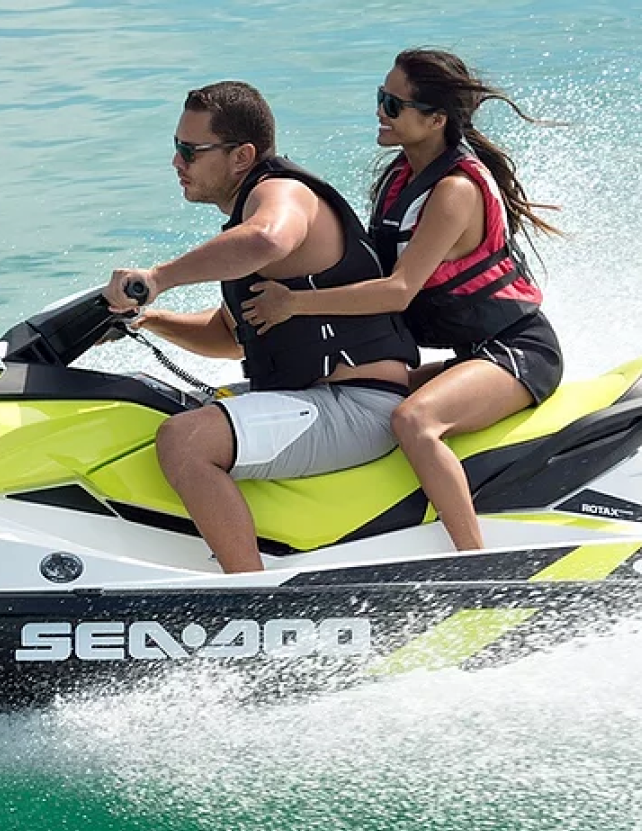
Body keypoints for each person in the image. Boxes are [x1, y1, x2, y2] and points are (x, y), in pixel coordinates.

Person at [241, 49, 564, 552]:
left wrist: (295, 304)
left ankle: (473, 560)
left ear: (435, 119)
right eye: (380, 97)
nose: (380, 111)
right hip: (470, 355)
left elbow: (398, 290)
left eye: (393, 104)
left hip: (516, 352)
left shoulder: (454, 190)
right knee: (367, 391)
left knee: (413, 420)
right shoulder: (399, 178)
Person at [103, 80, 419, 574]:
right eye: (175, 147)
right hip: (315, 401)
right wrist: (150, 319)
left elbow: (268, 240)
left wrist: (159, 278)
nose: (177, 162)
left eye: (190, 150)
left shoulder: (280, 193)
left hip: (357, 403)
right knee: (140, 410)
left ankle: (248, 592)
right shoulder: (241, 225)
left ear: (241, 155)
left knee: (185, 441)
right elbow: (230, 336)